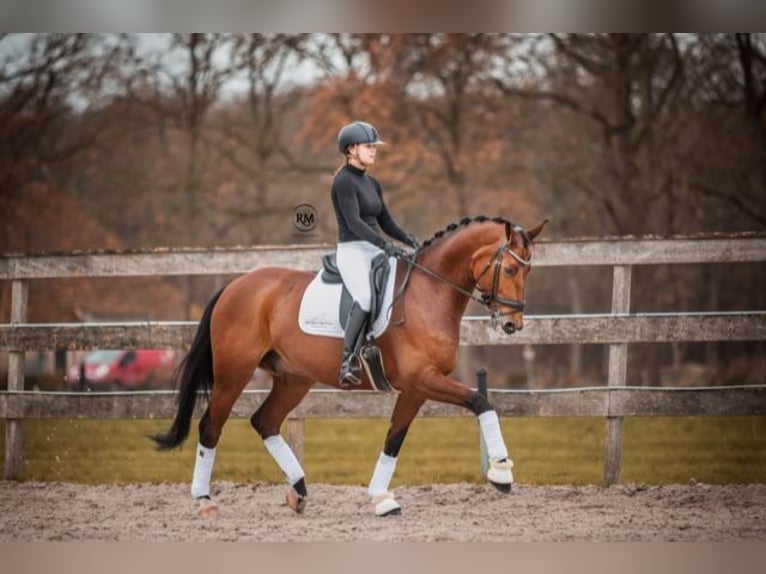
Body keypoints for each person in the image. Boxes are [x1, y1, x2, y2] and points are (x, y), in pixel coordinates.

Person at [331, 120, 419, 386]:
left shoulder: (373, 183)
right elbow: (355, 223)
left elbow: (386, 222)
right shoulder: (343, 182)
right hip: (353, 250)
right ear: (351, 149)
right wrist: (384, 245)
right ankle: (347, 361)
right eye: (369, 146)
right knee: (367, 298)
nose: (374, 151)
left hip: (375, 247)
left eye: (374, 147)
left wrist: (408, 239)